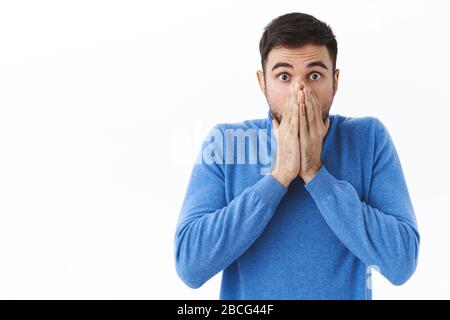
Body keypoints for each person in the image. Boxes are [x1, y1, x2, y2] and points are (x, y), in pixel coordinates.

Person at [174, 12, 420, 299]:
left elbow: (400, 264)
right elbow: (190, 267)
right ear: (262, 81)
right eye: (283, 76)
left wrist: (316, 172)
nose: (299, 90)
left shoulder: (368, 138)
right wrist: (278, 177)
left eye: (314, 75)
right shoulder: (227, 143)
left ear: (335, 81)